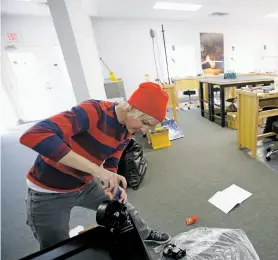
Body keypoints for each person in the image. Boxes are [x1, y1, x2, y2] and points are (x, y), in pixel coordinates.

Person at [20, 82, 171, 249]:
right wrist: (97, 171)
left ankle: (145, 233)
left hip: (85, 184)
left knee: (122, 207)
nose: (144, 131)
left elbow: (114, 156)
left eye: (150, 126)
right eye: (145, 122)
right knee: (55, 247)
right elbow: (34, 135)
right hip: (48, 191)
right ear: (131, 109)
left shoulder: (127, 129)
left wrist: (110, 179)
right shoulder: (93, 112)